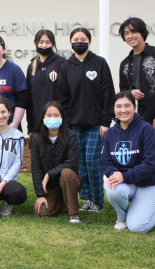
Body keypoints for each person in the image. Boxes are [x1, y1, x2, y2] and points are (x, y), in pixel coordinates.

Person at [57, 27, 115, 213]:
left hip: (96, 124)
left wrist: (106, 122)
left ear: (89, 42)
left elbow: (108, 94)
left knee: (92, 161)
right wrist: (65, 125)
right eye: (76, 39)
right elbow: (63, 99)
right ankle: (86, 199)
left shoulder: (100, 63)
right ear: (70, 42)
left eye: (83, 39)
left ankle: (98, 201)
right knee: (79, 163)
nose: (79, 41)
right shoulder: (66, 66)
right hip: (74, 124)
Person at [102, 91, 155, 232]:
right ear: (114, 109)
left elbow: (150, 164)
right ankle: (122, 219)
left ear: (134, 107)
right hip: (127, 183)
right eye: (119, 106)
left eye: (127, 106)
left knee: (138, 227)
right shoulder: (110, 134)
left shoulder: (147, 130)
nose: (123, 110)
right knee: (113, 189)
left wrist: (124, 176)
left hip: (149, 183)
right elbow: (106, 162)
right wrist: (114, 174)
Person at [118, 17, 155, 190]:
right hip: (137, 121)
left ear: (142, 33)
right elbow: (123, 94)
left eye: (133, 31)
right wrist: (130, 93)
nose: (130, 36)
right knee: (140, 160)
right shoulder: (125, 64)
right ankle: (143, 197)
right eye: (126, 33)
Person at [30, 101, 82, 224]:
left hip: (70, 180)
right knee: (42, 212)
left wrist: (49, 174)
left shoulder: (71, 135)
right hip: (52, 186)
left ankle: (73, 214)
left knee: (66, 173)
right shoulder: (37, 138)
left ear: (62, 118)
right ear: (43, 117)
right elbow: (36, 167)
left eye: (56, 115)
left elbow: (72, 163)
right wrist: (40, 195)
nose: (52, 118)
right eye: (48, 115)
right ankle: (66, 201)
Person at [26, 30, 66, 135]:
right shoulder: (32, 66)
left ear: (53, 43)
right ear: (36, 43)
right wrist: (30, 127)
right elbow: (29, 99)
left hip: (57, 122)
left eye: (48, 42)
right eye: (41, 42)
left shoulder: (62, 62)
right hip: (38, 123)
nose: (44, 45)